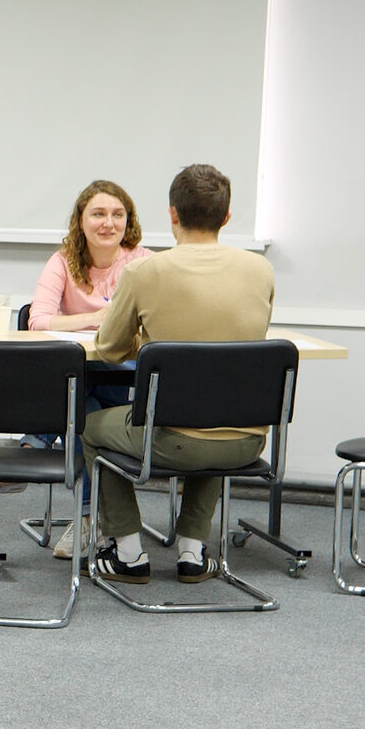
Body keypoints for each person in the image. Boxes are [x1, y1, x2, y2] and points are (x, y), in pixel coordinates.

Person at [80, 164, 274, 584]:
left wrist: (148, 340)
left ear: (172, 214)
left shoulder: (144, 272)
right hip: (247, 442)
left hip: (174, 442)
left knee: (91, 427)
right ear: (226, 216)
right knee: (217, 408)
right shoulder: (261, 271)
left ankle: (128, 553)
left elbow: (109, 349)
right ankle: (192, 550)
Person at [25, 181, 154, 559]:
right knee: (85, 408)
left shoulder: (143, 262)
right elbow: (37, 321)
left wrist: (83, 322)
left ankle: (34, 444)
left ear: (128, 221)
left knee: (78, 398)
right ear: (80, 221)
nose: (108, 223)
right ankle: (87, 518)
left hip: (122, 373)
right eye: (98, 214)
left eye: (117, 215)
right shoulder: (63, 260)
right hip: (80, 375)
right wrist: (96, 317)